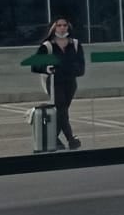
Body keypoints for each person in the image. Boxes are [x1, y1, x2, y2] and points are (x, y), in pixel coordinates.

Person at [35, 16, 86, 150]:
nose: (62, 28)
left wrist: (75, 70)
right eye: (59, 25)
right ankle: (71, 139)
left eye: (65, 25)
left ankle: (53, 139)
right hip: (54, 82)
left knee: (62, 112)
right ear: (54, 27)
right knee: (62, 109)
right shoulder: (47, 45)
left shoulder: (74, 44)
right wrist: (48, 68)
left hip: (70, 82)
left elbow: (81, 66)